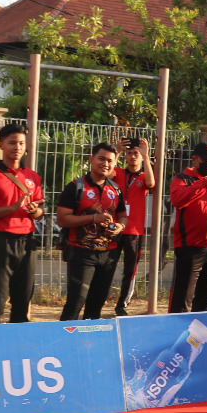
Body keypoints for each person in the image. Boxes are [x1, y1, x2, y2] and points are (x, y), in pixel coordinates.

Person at [0, 123, 45, 325]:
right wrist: (12, 208)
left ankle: (19, 347)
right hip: (0, 242)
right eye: (12, 142)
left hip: (27, 243)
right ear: (1, 145)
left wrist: (35, 211)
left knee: (23, 302)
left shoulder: (32, 177)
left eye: (21, 143)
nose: (17, 147)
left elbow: (40, 213)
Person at [57, 143, 127, 321]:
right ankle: (63, 344)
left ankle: (88, 345)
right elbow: (62, 219)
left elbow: (123, 216)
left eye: (110, 160)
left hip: (109, 255)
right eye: (101, 158)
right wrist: (93, 219)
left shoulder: (116, 189)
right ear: (91, 159)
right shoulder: (75, 187)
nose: (105, 163)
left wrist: (120, 227)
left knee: (96, 306)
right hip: (81, 253)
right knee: (75, 303)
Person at [168, 143, 207, 313]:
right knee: (183, 298)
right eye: (206, 160)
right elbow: (178, 200)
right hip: (189, 247)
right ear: (194, 159)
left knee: (205, 299)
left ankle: (201, 336)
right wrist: (204, 184)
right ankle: (176, 332)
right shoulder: (181, 178)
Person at [114, 138, 155, 316]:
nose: (132, 157)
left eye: (136, 153)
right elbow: (107, 175)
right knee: (107, 265)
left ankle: (122, 304)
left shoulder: (144, 175)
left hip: (134, 231)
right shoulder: (118, 172)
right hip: (114, 227)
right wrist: (116, 151)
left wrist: (146, 158)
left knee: (130, 269)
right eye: (129, 153)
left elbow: (151, 183)